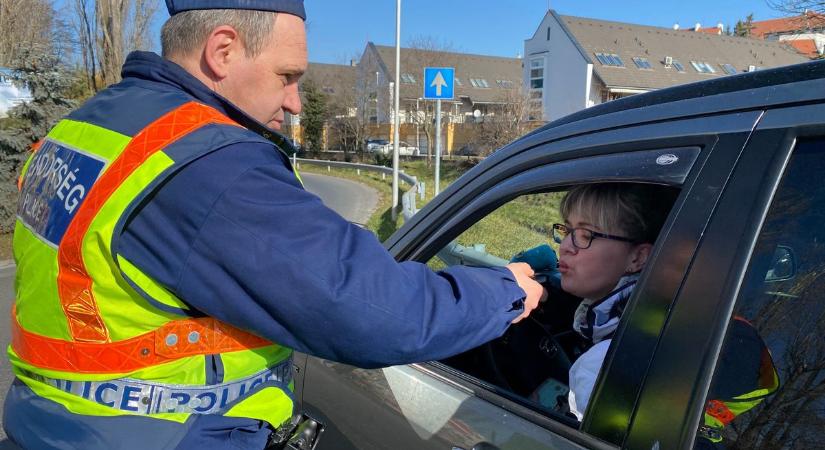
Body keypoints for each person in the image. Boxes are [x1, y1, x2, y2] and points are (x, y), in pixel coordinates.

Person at [3, 1, 546, 449]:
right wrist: (504, 289)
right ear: (222, 50)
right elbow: (368, 309)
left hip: (54, 421)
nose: (293, 103)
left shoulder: (94, 123)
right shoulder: (210, 165)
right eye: (288, 77)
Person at [530, 183, 677, 419]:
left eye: (585, 235)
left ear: (638, 258)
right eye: (568, 231)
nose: (565, 247)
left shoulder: (600, 367)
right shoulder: (662, 319)